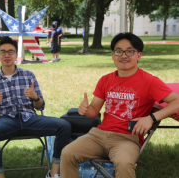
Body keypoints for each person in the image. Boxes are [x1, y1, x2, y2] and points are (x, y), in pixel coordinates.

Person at [60, 32, 179, 178]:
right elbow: (93, 112)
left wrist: (151, 118)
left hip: (127, 138)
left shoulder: (150, 81)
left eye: (129, 51)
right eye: (118, 51)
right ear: (112, 55)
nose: (123, 55)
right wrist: (85, 110)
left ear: (139, 55)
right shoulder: (105, 80)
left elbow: (176, 101)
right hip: (98, 135)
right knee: (67, 153)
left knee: (124, 163)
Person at [0, 36, 71, 178]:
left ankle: (54, 173)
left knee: (64, 126)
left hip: (30, 119)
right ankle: (0, 176)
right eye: (3, 52)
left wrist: (35, 97)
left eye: (11, 52)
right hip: (7, 121)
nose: (7, 55)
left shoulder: (28, 75)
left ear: (16, 55)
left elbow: (40, 106)